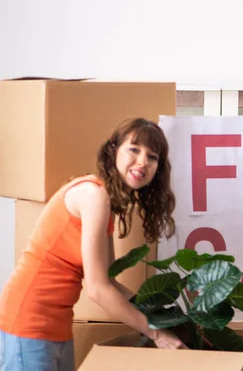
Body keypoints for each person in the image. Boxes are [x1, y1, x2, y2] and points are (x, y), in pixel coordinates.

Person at [0, 118, 187, 371]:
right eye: (134, 149)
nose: (143, 161)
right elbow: (97, 290)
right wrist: (157, 334)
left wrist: (161, 316)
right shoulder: (92, 195)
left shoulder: (104, 200)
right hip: (28, 321)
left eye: (152, 156)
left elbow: (107, 280)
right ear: (113, 150)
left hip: (57, 325)